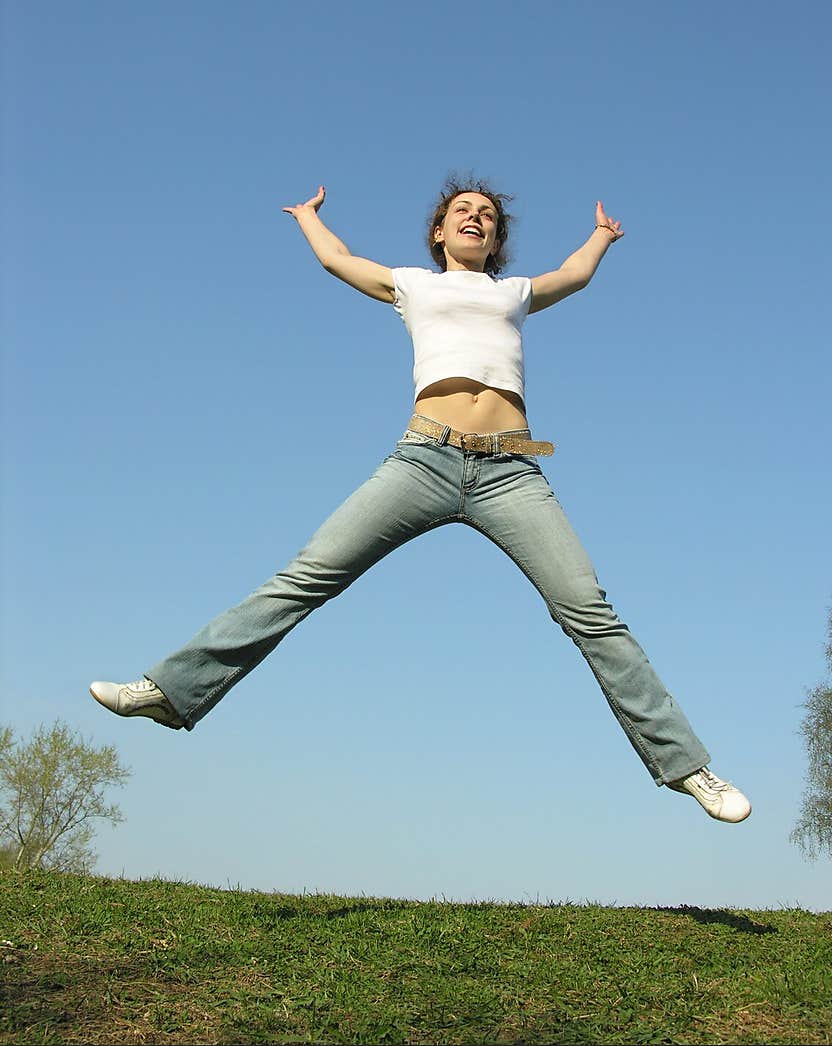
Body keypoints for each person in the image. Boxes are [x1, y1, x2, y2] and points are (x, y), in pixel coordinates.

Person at [90, 176, 751, 823]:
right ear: (440, 232)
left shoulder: (513, 291)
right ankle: (170, 689)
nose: (477, 217)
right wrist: (307, 216)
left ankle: (686, 764)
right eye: (464, 209)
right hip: (424, 458)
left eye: (487, 214)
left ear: (495, 240)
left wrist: (601, 236)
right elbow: (337, 259)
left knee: (588, 610)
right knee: (307, 576)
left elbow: (572, 276)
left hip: (511, 470)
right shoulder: (413, 283)